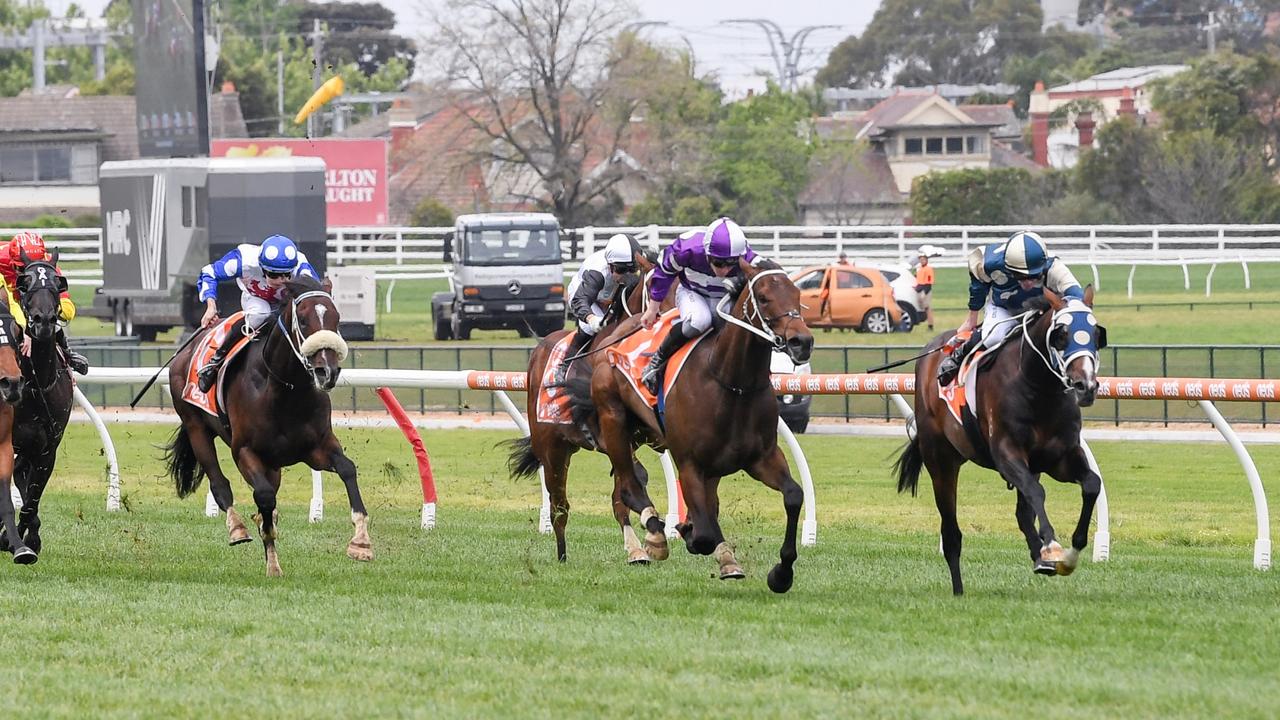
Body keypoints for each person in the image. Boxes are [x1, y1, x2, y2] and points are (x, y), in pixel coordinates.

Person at [936, 230, 1083, 385]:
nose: (1028, 283)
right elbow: (978, 282)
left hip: (1041, 310)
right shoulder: (989, 263)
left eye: (1034, 276)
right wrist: (971, 318)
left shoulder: (1054, 268)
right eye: (1021, 276)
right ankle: (959, 354)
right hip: (1004, 307)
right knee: (994, 336)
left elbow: (1077, 297)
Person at [639, 217, 758, 395]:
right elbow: (664, 270)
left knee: (733, 327)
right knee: (699, 321)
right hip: (692, 292)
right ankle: (656, 361)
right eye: (718, 263)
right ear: (707, 253)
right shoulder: (688, 248)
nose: (724, 270)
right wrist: (653, 308)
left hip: (724, 298)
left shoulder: (748, 257)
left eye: (731, 263)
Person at [195, 234, 319, 393]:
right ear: (262, 268)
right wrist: (211, 306)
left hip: (287, 302)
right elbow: (208, 273)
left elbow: (316, 296)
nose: (281, 281)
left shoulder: (302, 266)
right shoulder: (243, 260)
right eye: (274, 275)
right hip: (256, 298)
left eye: (287, 275)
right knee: (260, 315)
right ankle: (215, 361)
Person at [552, 233, 644, 383]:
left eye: (632, 270)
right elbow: (580, 300)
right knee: (590, 328)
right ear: (610, 265)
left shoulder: (627, 267)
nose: (626, 275)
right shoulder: (597, 272)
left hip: (610, 295)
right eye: (621, 270)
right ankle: (564, 365)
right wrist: (591, 318)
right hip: (585, 296)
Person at [1, 231, 90, 375]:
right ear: (12, 263)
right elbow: (10, 302)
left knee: (45, 313)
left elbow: (67, 308)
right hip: (6, 298)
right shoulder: (2, 260)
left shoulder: (49, 266)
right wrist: (22, 328)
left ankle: (66, 353)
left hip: (28, 302)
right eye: (22, 269)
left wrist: (54, 308)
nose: (28, 272)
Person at [913, 249, 936, 331]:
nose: (922, 261)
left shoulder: (928, 269)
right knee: (922, 307)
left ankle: (930, 325)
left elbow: (929, 282)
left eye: (923, 259)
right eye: (921, 259)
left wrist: (925, 293)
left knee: (927, 308)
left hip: (925, 289)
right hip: (919, 289)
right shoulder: (920, 269)